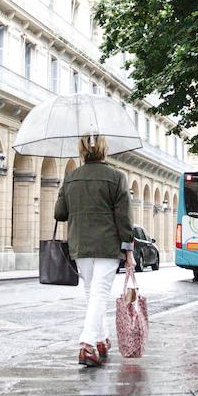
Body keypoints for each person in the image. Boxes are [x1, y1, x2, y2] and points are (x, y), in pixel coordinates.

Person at [53, 134, 135, 367]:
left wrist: (65, 190)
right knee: (98, 292)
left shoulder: (71, 178)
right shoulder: (117, 177)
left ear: (82, 151)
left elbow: (60, 213)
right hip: (108, 245)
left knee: (92, 292)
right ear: (104, 150)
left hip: (80, 245)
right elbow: (124, 218)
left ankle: (101, 340)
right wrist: (128, 251)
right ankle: (87, 344)